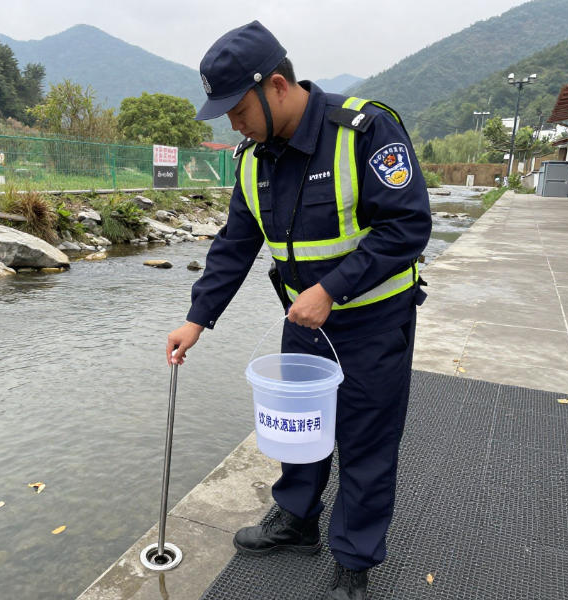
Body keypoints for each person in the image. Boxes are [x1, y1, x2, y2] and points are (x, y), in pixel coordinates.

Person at [166, 21, 431, 600]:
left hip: (373, 321)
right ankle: (297, 520)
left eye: (237, 110)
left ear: (278, 85)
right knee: (300, 429)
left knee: (365, 439)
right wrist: (197, 318)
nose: (233, 123)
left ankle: (353, 561)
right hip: (303, 321)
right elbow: (235, 244)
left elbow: (408, 226)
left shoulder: (363, 130)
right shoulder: (252, 159)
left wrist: (333, 288)